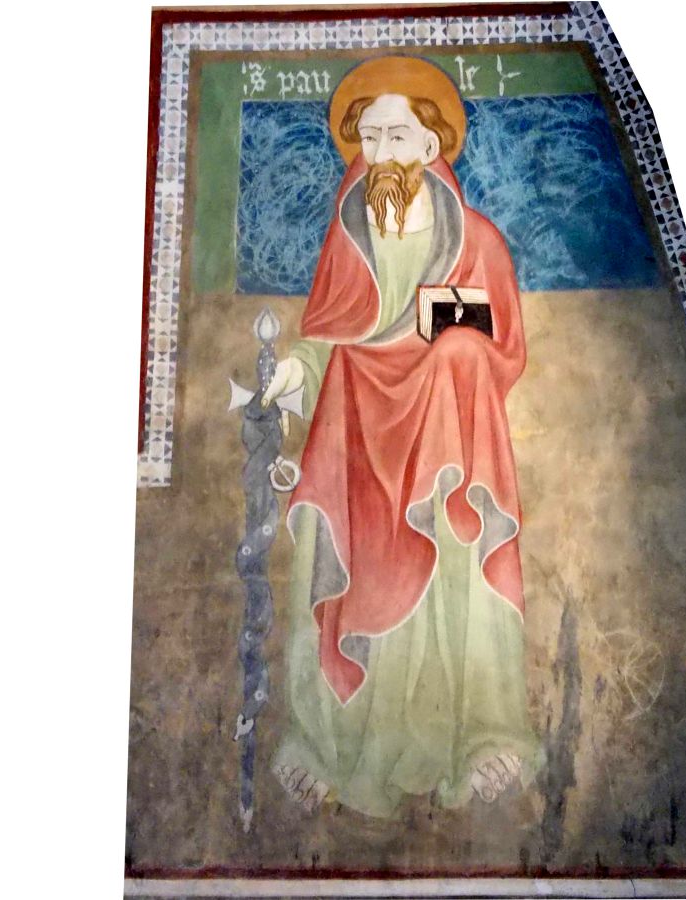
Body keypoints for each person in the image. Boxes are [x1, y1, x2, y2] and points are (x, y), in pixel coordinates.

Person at [261, 57, 542, 819]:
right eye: (369, 136)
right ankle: (332, 745)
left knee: (449, 572)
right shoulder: (349, 237)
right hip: (358, 431)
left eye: (396, 135)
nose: (381, 151)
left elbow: (500, 344)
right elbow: (328, 336)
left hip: (446, 443)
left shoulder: (477, 238)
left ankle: (477, 738)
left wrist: (439, 344)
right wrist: (292, 372)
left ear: (429, 144)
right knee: (351, 570)